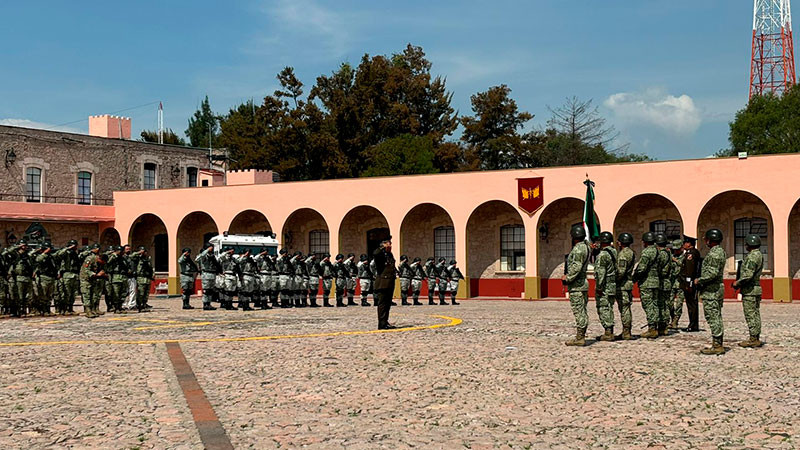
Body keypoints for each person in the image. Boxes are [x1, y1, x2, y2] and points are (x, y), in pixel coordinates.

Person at [695, 228, 727, 355]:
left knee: (713, 317)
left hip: (711, 290)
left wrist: (699, 280)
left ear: (711, 240)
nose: (706, 242)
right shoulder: (720, 252)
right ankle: (717, 342)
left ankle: (717, 345)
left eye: (707, 240)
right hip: (716, 289)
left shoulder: (714, 254)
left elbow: (712, 273)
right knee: (716, 316)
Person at [733, 234, 764, 348]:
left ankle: (753, 338)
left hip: (750, 290)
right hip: (756, 288)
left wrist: (737, 283)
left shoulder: (752, 257)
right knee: (755, 314)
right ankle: (756, 336)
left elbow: (748, 275)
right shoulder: (759, 254)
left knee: (750, 314)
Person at [562, 225, 591, 346]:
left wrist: (567, 278)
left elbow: (576, 267)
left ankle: (580, 338)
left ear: (574, 237)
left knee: (579, 311)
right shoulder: (587, 247)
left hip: (577, 285)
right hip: (583, 283)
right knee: (582, 310)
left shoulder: (578, 249)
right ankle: (581, 335)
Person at [634, 232, 660, 339]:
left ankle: (652, 329)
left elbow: (642, 268)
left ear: (645, 242)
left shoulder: (647, 252)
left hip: (647, 282)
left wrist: (634, 278)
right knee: (654, 304)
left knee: (648, 305)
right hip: (656, 281)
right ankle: (656, 326)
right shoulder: (658, 251)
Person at [594, 231, 617, 341]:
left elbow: (601, 273)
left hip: (605, 285)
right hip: (612, 284)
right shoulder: (614, 251)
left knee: (603, 307)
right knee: (609, 307)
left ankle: (608, 332)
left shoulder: (603, 255)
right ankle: (610, 330)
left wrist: (599, 287)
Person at [614, 233, 635, 340]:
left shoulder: (623, 254)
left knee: (625, 309)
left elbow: (621, 272)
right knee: (626, 308)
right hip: (628, 284)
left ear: (621, 242)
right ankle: (626, 331)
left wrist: (613, 280)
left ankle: (626, 332)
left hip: (622, 285)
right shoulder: (631, 252)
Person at [373, 237, 397, 329]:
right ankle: (381, 324)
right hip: (383, 282)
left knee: (387, 304)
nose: (390, 246)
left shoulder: (389, 254)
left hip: (390, 282)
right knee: (382, 304)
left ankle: (385, 321)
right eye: (388, 244)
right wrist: (382, 247)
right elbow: (375, 253)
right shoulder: (380, 255)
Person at [679, 236, 702, 332]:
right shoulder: (694, 252)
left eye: (685, 242)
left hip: (690, 282)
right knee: (692, 304)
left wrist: (689, 283)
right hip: (690, 281)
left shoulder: (691, 254)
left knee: (691, 304)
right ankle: (693, 324)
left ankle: (693, 325)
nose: (684, 244)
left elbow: (690, 270)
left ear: (689, 244)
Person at [80, 247, 107, 318]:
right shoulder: (90, 259)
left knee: (93, 295)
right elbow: (86, 270)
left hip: (93, 279)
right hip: (85, 279)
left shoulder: (98, 262)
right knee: (87, 294)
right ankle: (88, 311)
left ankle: (93, 309)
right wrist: (96, 274)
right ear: (99, 258)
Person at [654, 233, 672, 336]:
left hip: (663, 282)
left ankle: (662, 326)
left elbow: (659, 267)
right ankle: (663, 325)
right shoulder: (668, 253)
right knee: (664, 304)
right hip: (666, 281)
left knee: (662, 305)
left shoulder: (662, 254)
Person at [11, 241, 34, 317]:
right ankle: (19, 311)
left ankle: (25, 310)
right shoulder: (15, 255)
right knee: (20, 296)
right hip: (19, 277)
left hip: (27, 277)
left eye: (25, 246)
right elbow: (8, 251)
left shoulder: (27, 255)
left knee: (28, 296)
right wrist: (17, 246)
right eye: (22, 246)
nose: (24, 247)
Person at [195, 243, 219, 311]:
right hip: (206, 274)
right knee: (206, 290)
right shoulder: (203, 255)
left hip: (212, 274)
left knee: (211, 290)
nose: (212, 249)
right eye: (210, 247)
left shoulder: (212, 256)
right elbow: (197, 259)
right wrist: (207, 250)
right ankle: (205, 304)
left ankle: (209, 303)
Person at [669, 239, 686, 329]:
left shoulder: (685, 257)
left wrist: (675, 260)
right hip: (672, 283)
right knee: (669, 303)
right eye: (674, 249)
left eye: (677, 249)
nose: (675, 251)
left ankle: (676, 321)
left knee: (679, 304)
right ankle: (672, 319)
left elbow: (684, 266)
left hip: (680, 284)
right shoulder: (671, 256)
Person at [133, 246, 154, 312]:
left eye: (144, 251)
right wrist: (139, 253)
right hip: (141, 278)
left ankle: (144, 305)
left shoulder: (147, 259)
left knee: (146, 293)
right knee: (140, 293)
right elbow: (131, 256)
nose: (144, 253)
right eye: (143, 251)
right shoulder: (137, 258)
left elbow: (151, 268)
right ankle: (139, 306)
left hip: (147, 278)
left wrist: (152, 275)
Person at [122, 244, 138, 311]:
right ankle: (124, 304)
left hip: (132, 276)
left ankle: (132, 305)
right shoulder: (122, 257)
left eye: (129, 249)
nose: (128, 250)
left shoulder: (131, 258)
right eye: (127, 249)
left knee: (133, 291)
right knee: (125, 291)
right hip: (125, 276)